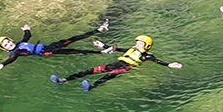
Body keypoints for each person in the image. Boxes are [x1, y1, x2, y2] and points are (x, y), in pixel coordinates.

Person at [50, 35, 183, 91]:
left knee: (107, 77)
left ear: (146, 45)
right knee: (90, 71)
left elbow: (155, 60)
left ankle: (91, 87)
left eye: (140, 42)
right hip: (116, 64)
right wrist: (102, 45)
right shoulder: (131, 49)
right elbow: (116, 49)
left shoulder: (145, 55)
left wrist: (168, 65)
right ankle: (64, 80)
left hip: (125, 68)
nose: (137, 43)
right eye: (137, 41)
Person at [0, 19, 114, 70]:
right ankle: (102, 51)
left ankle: (99, 30)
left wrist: (27, 30)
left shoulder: (18, 44)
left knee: (72, 39)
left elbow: (27, 37)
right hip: (48, 52)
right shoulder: (15, 52)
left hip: (49, 46)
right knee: (73, 50)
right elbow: (12, 59)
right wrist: (2, 64)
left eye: (8, 42)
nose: (9, 45)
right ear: (5, 49)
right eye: (6, 45)